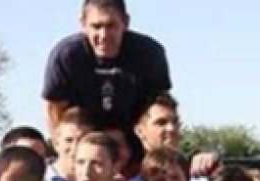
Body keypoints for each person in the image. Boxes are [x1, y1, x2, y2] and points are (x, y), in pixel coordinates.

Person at [43, 0, 171, 167]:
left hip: (134, 145)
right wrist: (67, 153)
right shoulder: (66, 55)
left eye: (111, 26)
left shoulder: (150, 53)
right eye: (96, 26)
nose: (103, 35)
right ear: (83, 24)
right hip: (82, 144)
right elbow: (55, 109)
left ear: (125, 22)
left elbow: (160, 107)